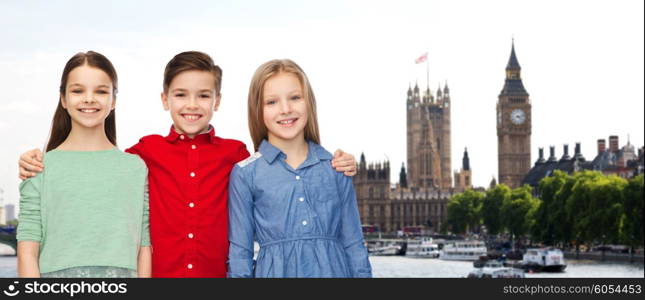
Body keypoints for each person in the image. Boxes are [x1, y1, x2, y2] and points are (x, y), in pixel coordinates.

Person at [18, 51, 357, 277]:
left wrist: (336, 162)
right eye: (180, 95)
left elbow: (281, 171)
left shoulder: (237, 155)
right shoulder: (144, 153)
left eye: (204, 95)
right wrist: (35, 161)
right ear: (165, 99)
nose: (192, 105)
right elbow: (100, 165)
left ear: (218, 101)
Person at [227, 59, 371, 278]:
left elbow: (354, 245)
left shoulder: (336, 168)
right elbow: (240, 254)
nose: (286, 109)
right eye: (272, 102)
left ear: (309, 103)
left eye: (295, 98)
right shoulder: (245, 174)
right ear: (258, 110)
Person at [17, 51, 151, 278]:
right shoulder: (40, 167)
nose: (89, 99)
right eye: (78, 91)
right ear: (63, 99)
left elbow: (144, 246)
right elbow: (27, 253)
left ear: (114, 100)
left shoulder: (135, 168)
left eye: (100, 91)